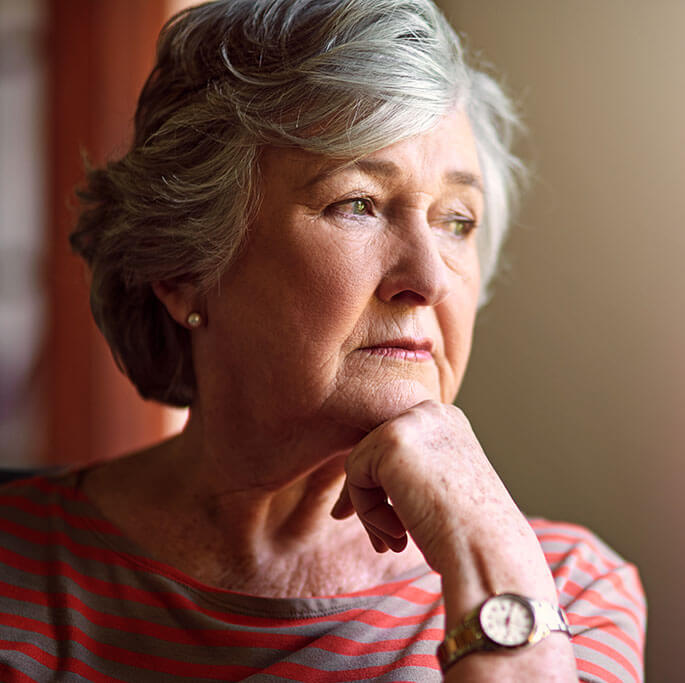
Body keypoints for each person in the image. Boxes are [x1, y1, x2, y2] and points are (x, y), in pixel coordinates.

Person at [0, 0, 645, 680]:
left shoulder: (563, 591)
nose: (428, 278)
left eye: (456, 220)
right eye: (357, 204)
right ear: (182, 269)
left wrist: (489, 553)